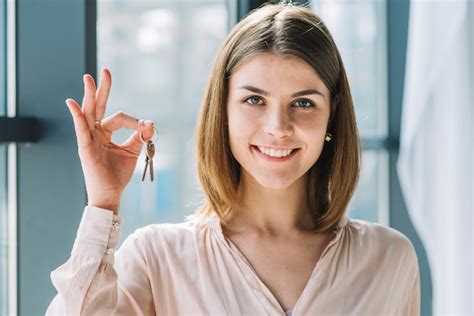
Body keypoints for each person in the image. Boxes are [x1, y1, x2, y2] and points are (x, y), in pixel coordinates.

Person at [46, 2, 420, 315]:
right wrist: (103, 204)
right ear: (222, 110)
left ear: (332, 116)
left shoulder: (388, 258)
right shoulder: (158, 258)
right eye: (254, 100)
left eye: (303, 103)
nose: (278, 127)